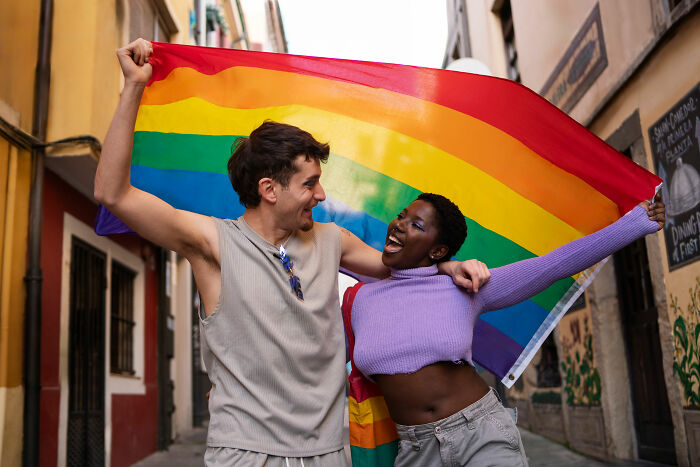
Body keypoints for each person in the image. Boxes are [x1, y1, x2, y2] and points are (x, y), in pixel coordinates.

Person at [94, 39, 491, 466]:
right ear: (269, 189)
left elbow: (398, 268)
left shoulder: (333, 240)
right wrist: (134, 86)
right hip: (244, 456)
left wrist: (447, 263)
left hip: (325, 456)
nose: (320, 194)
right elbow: (111, 192)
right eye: (309, 183)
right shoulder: (212, 243)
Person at [343, 192, 665, 466]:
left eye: (416, 224)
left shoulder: (465, 287)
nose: (399, 224)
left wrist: (636, 223)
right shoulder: (359, 300)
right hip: (416, 449)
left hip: (480, 432)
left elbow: (553, 265)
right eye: (401, 216)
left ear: (438, 250)